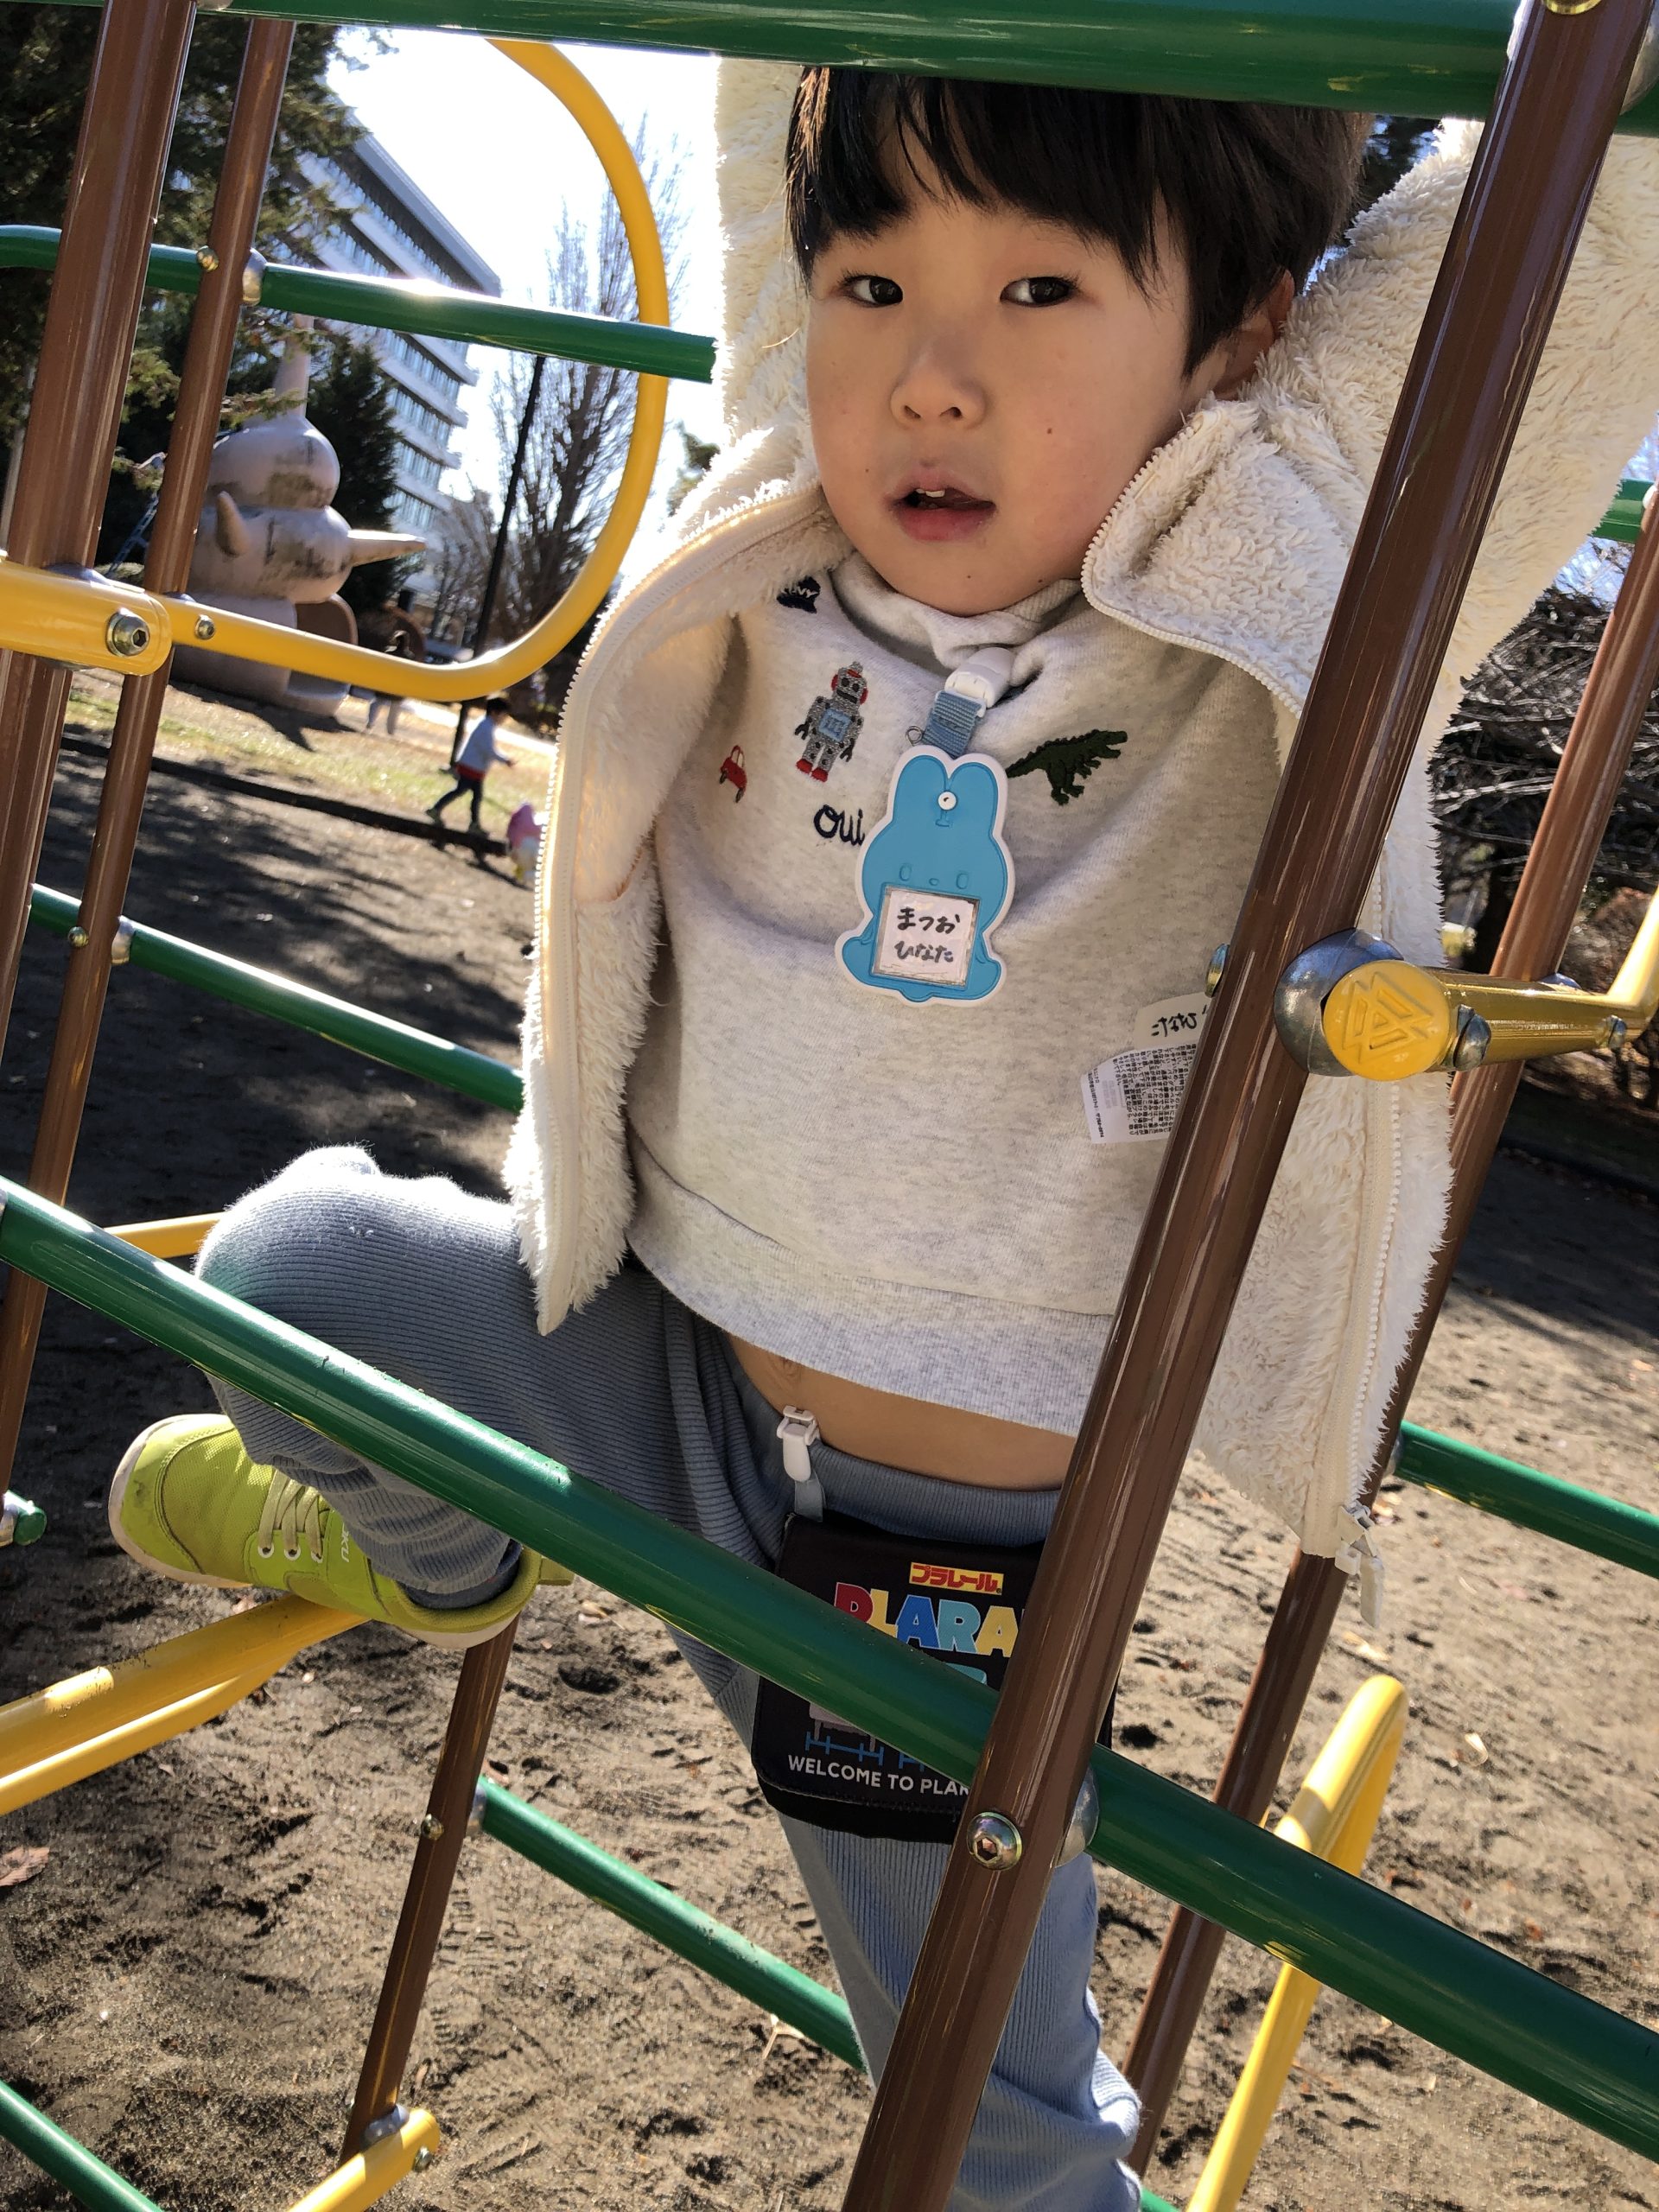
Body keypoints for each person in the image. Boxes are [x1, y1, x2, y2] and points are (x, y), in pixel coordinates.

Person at [105, 67, 1659, 2207]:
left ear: (1240, 333)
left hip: (937, 1571)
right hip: (660, 1351)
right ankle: (448, 1557)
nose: (933, 373)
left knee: (988, 2136)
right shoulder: (792, 480)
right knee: (286, 1264)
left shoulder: (1297, 542)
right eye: (875, 284)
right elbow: (791, 101)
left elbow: (1574, 247)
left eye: (1039, 291)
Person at [427, 694, 515, 833]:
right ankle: (438, 810)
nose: (504, 719)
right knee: (465, 792)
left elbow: (488, 750)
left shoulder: (486, 725)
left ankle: (471, 822)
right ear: (494, 713)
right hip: (471, 767)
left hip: (474, 767)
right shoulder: (486, 728)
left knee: (472, 795)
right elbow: (489, 750)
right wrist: (505, 759)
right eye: (504, 715)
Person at [361, 587, 427, 736]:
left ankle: (370, 723)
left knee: (376, 704)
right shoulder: (409, 657)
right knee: (394, 709)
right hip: (398, 689)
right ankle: (390, 730)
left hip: (384, 686)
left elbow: (380, 669)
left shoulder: (388, 653)